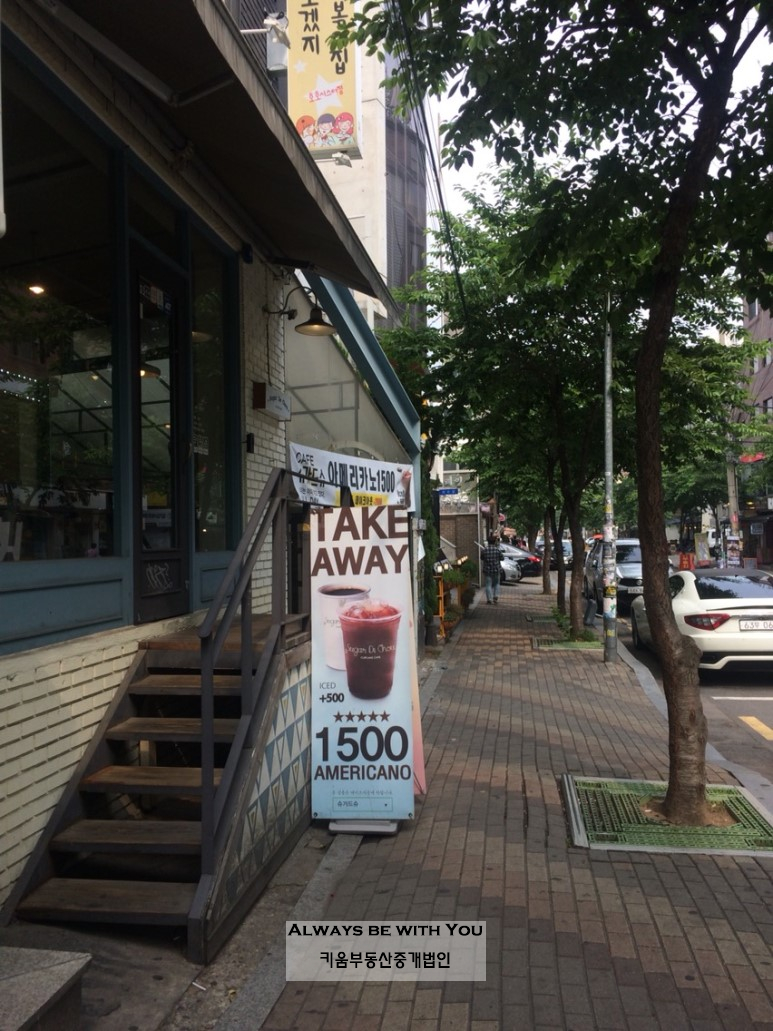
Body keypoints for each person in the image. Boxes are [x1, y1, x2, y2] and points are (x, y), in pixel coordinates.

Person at [481, 534, 502, 605]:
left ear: (488, 542)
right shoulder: (497, 550)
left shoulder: (484, 550)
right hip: (496, 569)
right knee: (497, 583)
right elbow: (502, 558)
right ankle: (496, 596)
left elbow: (482, 558)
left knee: (488, 584)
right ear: (494, 542)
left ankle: (489, 599)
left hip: (487, 570)